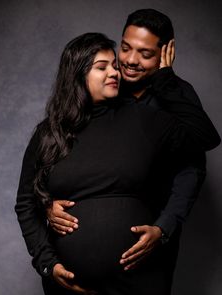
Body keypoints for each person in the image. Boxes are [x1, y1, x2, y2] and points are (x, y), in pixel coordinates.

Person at [15, 32, 220, 295]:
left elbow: (205, 138)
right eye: (102, 67)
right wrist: (47, 264)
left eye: (114, 65)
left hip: (139, 280)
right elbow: (25, 203)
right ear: (77, 75)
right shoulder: (50, 133)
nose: (114, 72)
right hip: (67, 285)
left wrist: (165, 79)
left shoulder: (144, 119)